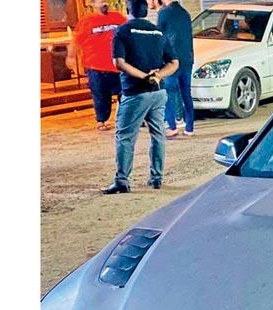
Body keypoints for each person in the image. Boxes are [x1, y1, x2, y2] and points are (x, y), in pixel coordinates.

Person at [103, 0, 180, 194]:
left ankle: (122, 181)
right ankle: (157, 178)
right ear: (146, 11)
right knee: (158, 134)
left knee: (125, 137)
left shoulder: (122, 31)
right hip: (158, 92)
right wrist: (158, 76)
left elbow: (119, 63)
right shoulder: (157, 32)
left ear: (127, 10)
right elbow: (174, 62)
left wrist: (143, 76)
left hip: (135, 92)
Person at [68, 2, 127, 131]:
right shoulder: (86, 21)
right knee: (100, 95)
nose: (105, 2)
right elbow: (76, 41)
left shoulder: (118, 18)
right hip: (95, 66)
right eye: (101, 1)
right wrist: (71, 57)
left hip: (118, 65)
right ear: (93, 3)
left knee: (125, 93)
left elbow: (128, 35)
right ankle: (101, 120)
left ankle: (126, 120)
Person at [154, 0, 195, 137]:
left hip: (172, 61)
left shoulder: (164, 13)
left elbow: (158, 38)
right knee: (186, 93)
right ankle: (190, 128)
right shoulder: (185, 13)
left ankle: (172, 126)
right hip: (187, 59)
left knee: (167, 92)